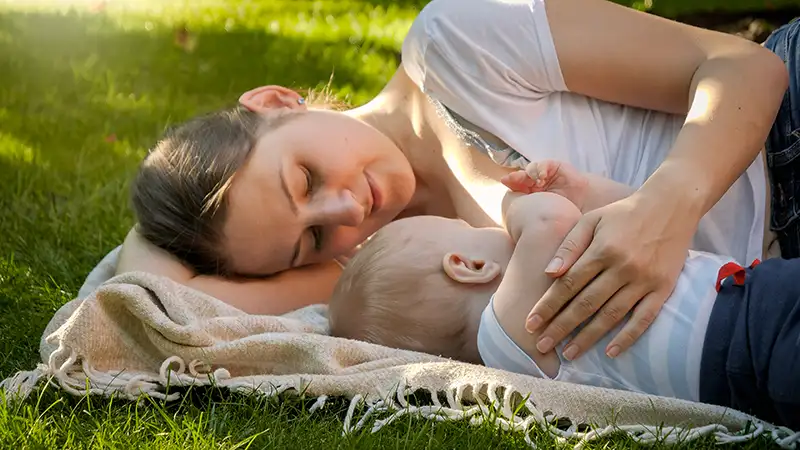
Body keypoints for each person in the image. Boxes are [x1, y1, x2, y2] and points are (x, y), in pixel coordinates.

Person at [118, 0, 790, 358]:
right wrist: (162, 226)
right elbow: (150, 299)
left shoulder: (456, 43)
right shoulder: (399, 273)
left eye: (304, 177)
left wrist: (666, 207)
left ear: (273, 102)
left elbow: (743, 68)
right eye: (312, 238)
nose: (348, 208)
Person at [328, 161, 799, 429]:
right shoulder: (508, 332)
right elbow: (550, 219)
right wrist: (512, 200)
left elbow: (632, 216)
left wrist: (584, 194)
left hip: (740, 370)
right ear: (468, 266)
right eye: (474, 228)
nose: (498, 227)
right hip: (753, 322)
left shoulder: (530, 358)